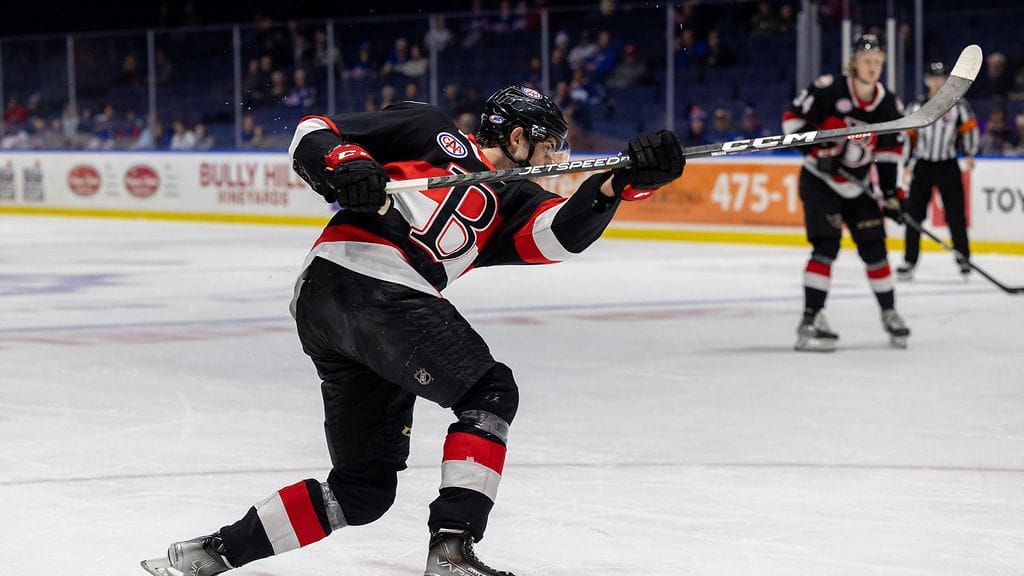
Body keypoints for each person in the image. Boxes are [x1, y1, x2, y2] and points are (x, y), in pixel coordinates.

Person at [139, 84, 684, 576]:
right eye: (547, 148)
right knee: (489, 392)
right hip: (369, 282)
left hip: (332, 304)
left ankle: (212, 553)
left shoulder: (514, 198)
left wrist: (621, 184)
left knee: (362, 491)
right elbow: (314, 132)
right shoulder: (428, 128)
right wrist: (347, 163)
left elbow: (560, 236)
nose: (552, 162)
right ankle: (452, 550)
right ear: (517, 137)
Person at [782, 33, 910, 352]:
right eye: (867, 61)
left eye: (878, 61)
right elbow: (792, 122)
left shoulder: (889, 104)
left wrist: (891, 194)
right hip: (819, 181)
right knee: (826, 247)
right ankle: (811, 318)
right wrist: (817, 154)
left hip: (859, 183)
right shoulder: (828, 88)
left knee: (875, 250)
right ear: (854, 62)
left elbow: (890, 154)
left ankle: (889, 312)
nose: (872, 67)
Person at [897, 61, 979, 281]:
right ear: (927, 80)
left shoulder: (958, 105)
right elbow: (909, 136)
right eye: (934, 78)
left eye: (941, 78)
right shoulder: (916, 105)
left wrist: (969, 153)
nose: (937, 82)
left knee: (956, 215)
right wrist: (906, 164)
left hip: (948, 166)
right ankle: (909, 261)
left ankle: (963, 259)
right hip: (923, 166)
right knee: (913, 216)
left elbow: (969, 129)